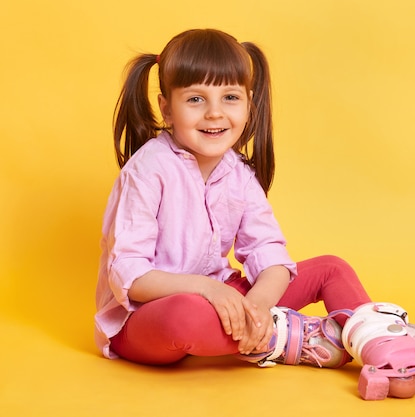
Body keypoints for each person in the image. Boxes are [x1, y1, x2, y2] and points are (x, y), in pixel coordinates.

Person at [95, 28, 371, 367]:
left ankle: (376, 340)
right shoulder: (148, 170)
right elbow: (131, 276)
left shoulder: (238, 171)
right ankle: (287, 338)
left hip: (222, 298)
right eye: (195, 99)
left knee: (331, 268)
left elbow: (268, 253)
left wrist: (256, 305)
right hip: (147, 319)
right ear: (166, 109)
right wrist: (207, 289)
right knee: (186, 315)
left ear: (248, 103)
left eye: (230, 97)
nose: (214, 113)